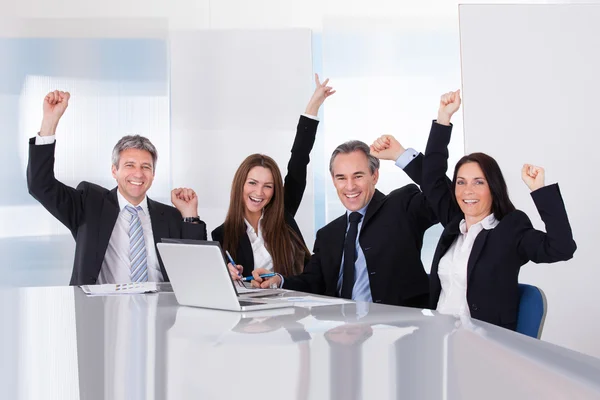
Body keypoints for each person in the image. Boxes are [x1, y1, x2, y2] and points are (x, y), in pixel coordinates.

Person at [421, 89, 576, 329]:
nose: (467, 191)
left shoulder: (510, 229)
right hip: (440, 341)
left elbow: (561, 249)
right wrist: (443, 118)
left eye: (478, 182)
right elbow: (431, 177)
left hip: (485, 347)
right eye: (461, 182)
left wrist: (539, 191)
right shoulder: (454, 223)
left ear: (493, 188)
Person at [27, 90, 207, 285]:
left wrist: (189, 216)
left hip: (160, 310)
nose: (138, 174)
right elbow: (40, 185)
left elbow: (197, 272)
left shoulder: (170, 216)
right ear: (114, 170)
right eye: (129, 165)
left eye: (146, 167)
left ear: (153, 175)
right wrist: (49, 122)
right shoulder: (89, 204)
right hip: (102, 310)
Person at [251, 135, 438, 308]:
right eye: (341, 178)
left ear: (374, 176)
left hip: (399, 332)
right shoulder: (327, 235)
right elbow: (312, 283)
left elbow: (444, 198)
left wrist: (401, 155)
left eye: (358, 176)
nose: (350, 186)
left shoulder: (401, 206)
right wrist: (279, 280)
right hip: (342, 333)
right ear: (333, 180)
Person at [212, 74, 335, 278]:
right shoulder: (222, 235)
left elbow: (299, 161)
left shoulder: (283, 215)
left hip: (293, 304)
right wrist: (230, 275)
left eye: (268, 186)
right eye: (252, 183)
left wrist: (313, 107)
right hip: (251, 307)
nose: (259, 192)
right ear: (240, 185)